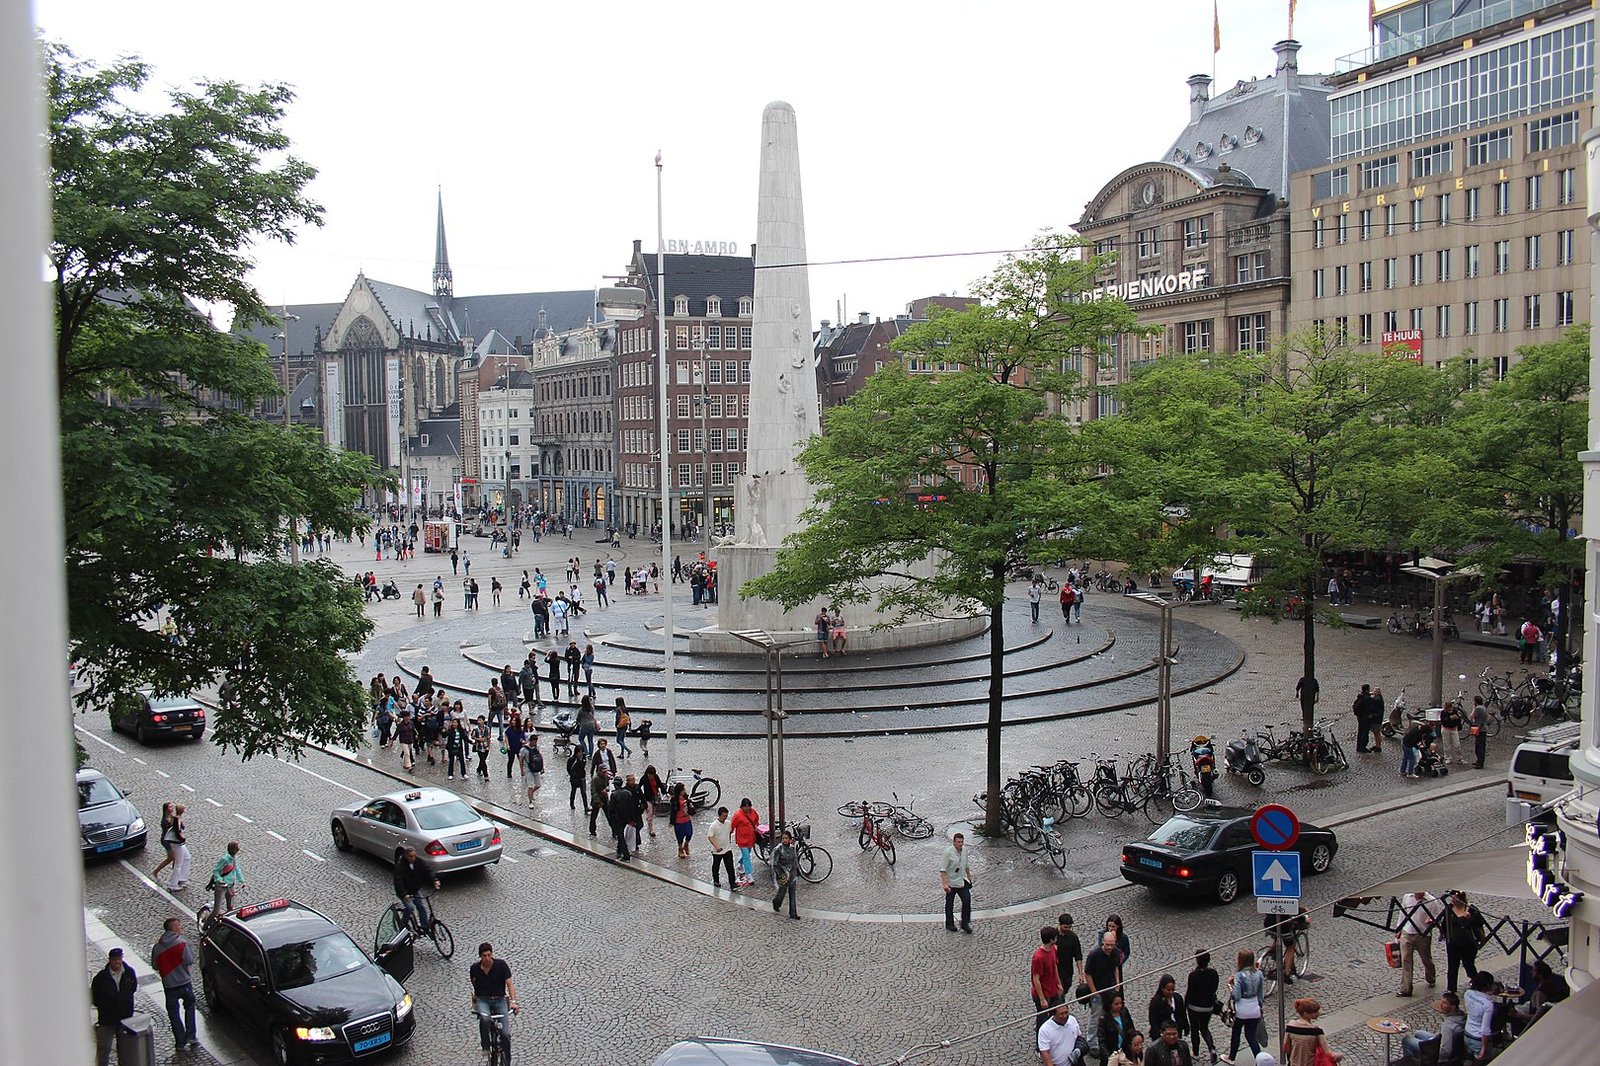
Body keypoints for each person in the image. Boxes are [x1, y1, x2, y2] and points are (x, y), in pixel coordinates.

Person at [153, 917, 198, 1050]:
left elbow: (155, 965)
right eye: (179, 926)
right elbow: (189, 960)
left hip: (169, 985)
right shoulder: (181, 943)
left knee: (174, 1014)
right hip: (185, 982)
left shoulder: (157, 947)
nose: (181, 928)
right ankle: (191, 1036)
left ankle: (180, 1042)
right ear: (173, 928)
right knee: (189, 1008)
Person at [469, 943, 518, 1064]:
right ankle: (486, 1046)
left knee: (505, 1034)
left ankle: (507, 1061)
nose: (487, 958)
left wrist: (513, 1002)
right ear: (480, 956)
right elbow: (474, 982)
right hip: (483, 1000)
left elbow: (509, 984)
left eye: (489, 955)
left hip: (499, 999)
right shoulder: (475, 969)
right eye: (484, 956)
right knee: (485, 1019)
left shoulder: (501, 965)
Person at [91, 947, 138, 1066]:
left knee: (124, 1049)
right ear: (110, 960)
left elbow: (132, 988)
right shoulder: (101, 977)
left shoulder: (129, 973)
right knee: (104, 1048)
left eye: (119, 959)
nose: (117, 962)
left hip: (124, 1017)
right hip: (107, 1019)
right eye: (115, 960)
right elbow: (94, 996)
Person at [1084, 931, 1125, 1051]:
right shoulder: (1094, 954)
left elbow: (1116, 967)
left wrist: (1117, 983)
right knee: (1096, 1016)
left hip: (1111, 989)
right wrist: (1094, 992)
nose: (1109, 947)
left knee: (1111, 1014)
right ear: (1103, 942)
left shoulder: (1116, 952)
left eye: (1112, 945)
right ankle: (1092, 1042)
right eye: (1107, 945)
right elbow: (1088, 974)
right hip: (1098, 990)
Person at [1396, 890, 1442, 997]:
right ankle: (1406, 988)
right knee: (1406, 960)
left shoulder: (1431, 901)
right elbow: (1402, 913)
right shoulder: (1407, 897)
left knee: (1426, 958)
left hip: (1423, 934)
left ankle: (1431, 978)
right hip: (1407, 932)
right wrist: (1399, 928)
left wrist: (1432, 921)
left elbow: (1438, 918)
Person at [1441, 891, 1487, 994]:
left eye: (1455, 898)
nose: (1452, 900)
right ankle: (1451, 989)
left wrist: (1470, 918)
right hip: (1453, 944)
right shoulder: (1449, 909)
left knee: (1469, 965)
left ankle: (1477, 985)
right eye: (1452, 898)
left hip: (1468, 944)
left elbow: (1480, 923)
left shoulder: (1471, 909)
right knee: (1452, 966)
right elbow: (1444, 924)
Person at [1403, 992, 1465, 1062]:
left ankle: (1410, 1062)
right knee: (1418, 1033)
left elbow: (1445, 1050)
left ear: (1453, 1007)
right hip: (1441, 1040)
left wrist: (1429, 1047)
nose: (1441, 1005)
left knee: (1406, 1040)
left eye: (1445, 1003)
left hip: (1439, 1054)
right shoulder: (1460, 1016)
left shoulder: (1448, 1026)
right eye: (1441, 1001)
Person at [1227, 949, 1265, 1061]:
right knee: (1251, 1037)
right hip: (1254, 1009)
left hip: (1242, 1010)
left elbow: (1236, 996)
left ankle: (1231, 1057)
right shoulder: (1258, 973)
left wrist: (1230, 985)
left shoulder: (1239, 975)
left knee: (1236, 1034)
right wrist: (1260, 1007)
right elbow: (1260, 994)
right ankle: (1260, 1060)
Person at [393, 846, 439, 933]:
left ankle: (424, 927)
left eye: (414, 856)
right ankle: (404, 923)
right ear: (406, 856)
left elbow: (428, 870)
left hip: (414, 889)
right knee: (410, 907)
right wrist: (404, 894)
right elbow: (398, 881)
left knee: (422, 907)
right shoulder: (400, 865)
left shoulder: (419, 861)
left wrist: (435, 880)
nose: (413, 858)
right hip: (405, 891)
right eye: (411, 856)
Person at [1282, 997, 1340, 1066]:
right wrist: (1338, 1056)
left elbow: (1286, 1047)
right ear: (1306, 1013)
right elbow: (1327, 1053)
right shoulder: (1316, 1031)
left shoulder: (1290, 1026)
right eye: (1315, 1012)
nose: (1318, 1013)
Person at [1184, 951, 1219, 1061]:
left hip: (1194, 1007)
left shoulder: (1193, 975)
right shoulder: (1213, 973)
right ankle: (1211, 1048)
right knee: (1204, 1027)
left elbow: (1189, 992)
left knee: (1195, 1029)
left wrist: (1185, 1005)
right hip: (1208, 1006)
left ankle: (1195, 1052)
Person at [939, 832, 974, 933]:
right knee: (949, 903)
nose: (960, 844)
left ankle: (965, 923)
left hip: (962, 880)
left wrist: (969, 877)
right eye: (958, 842)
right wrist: (945, 884)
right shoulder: (948, 852)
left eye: (962, 842)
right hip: (951, 882)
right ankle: (949, 923)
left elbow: (966, 865)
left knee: (967, 901)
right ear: (954, 842)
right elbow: (943, 870)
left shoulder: (964, 851)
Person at [1032, 926, 1065, 1030]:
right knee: (1042, 1022)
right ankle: (1040, 1044)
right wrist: (1042, 999)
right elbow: (1036, 978)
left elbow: (1054, 967)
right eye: (1055, 937)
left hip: (1053, 991)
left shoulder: (1052, 950)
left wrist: (1058, 983)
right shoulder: (1038, 957)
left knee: (1054, 1018)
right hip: (1044, 994)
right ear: (1051, 939)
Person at [1038, 1000, 1083, 1066]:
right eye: (1061, 1014)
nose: (1065, 1016)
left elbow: (1079, 1037)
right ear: (1054, 1014)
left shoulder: (1072, 1020)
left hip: (1076, 1062)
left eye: (1066, 1012)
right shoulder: (1045, 1030)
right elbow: (1045, 1053)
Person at [606, 774, 640, 861]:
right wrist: (632, 819)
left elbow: (611, 808)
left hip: (618, 819)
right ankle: (619, 850)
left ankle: (626, 855)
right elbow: (632, 807)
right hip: (627, 818)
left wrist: (611, 818)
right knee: (621, 835)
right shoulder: (628, 793)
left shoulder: (614, 795)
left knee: (621, 837)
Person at [1463, 971, 1496, 1059]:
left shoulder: (1468, 993)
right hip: (1478, 1039)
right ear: (1488, 985)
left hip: (1467, 1033)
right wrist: (1484, 1047)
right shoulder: (1488, 1005)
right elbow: (1485, 1029)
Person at [1098, 993, 1138, 1063]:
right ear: (1110, 1004)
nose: (1119, 1006)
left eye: (1121, 1003)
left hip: (1126, 1051)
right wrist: (1110, 1058)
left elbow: (1131, 1029)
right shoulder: (1103, 1019)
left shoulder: (1124, 1011)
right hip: (1112, 1052)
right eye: (1116, 1004)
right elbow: (1102, 1042)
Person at [1147, 974, 1187, 1042]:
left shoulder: (1177, 998)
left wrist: (1185, 1026)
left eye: (1173, 990)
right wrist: (1158, 1035)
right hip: (1162, 1034)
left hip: (1176, 1031)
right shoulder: (1156, 1001)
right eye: (1168, 990)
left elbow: (1183, 1013)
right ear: (1162, 988)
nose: (1171, 992)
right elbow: (1153, 1020)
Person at [209, 841, 244, 916]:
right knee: (216, 911)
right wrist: (220, 880)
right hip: (221, 887)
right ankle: (206, 926)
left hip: (231, 886)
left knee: (230, 908)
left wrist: (242, 881)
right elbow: (216, 871)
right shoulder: (225, 859)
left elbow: (237, 870)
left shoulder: (234, 859)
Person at [771, 830, 800, 918]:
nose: (785, 840)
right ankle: (776, 902)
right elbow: (775, 863)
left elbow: (795, 860)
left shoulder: (792, 848)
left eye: (786, 838)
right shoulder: (778, 849)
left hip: (791, 873)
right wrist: (781, 874)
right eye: (783, 838)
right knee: (782, 893)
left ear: (790, 839)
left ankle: (793, 913)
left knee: (792, 894)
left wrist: (796, 871)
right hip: (783, 874)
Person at [731, 797, 760, 886]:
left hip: (751, 839)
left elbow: (756, 821)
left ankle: (740, 865)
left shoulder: (753, 812)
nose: (747, 808)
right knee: (747, 856)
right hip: (742, 840)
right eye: (745, 806)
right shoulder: (738, 815)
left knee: (745, 855)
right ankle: (749, 875)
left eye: (748, 806)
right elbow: (732, 826)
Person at [1056, 914, 1085, 996]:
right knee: (1059, 993)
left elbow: (1078, 955)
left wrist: (1080, 974)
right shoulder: (1054, 936)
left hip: (1067, 970)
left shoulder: (1073, 937)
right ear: (1060, 924)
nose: (1068, 929)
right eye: (1065, 927)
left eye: (1070, 927)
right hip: (1056, 970)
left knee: (1065, 988)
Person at [708, 806, 736, 887]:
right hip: (718, 851)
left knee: (730, 867)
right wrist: (716, 847)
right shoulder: (713, 826)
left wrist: (729, 841)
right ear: (719, 815)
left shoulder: (728, 823)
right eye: (724, 816)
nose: (725, 818)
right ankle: (716, 880)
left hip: (727, 849)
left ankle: (732, 883)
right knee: (716, 866)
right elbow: (710, 837)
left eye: (726, 816)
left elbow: (730, 832)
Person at [152, 801, 178, 885]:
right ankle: (173, 875)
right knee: (173, 858)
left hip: (171, 840)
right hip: (166, 841)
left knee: (172, 858)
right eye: (170, 807)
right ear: (166, 809)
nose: (172, 808)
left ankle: (158, 871)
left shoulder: (171, 817)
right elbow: (168, 832)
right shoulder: (164, 821)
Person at [1353, 684, 1383, 753]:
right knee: (1365, 733)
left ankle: (1359, 747)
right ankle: (1363, 748)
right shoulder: (1368, 699)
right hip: (1365, 718)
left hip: (1359, 717)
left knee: (1360, 732)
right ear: (1367, 689)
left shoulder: (1361, 696)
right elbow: (1374, 705)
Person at [670, 781, 694, 858]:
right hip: (678, 821)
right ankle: (680, 849)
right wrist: (672, 821)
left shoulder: (686, 798)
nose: (684, 791)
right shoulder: (674, 800)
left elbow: (690, 807)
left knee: (689, 833)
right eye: (683, 790)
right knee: (680, 836)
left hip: (686, 819)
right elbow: (672, 811)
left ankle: (686, 844)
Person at [566, 746, 588, 813]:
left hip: (582, 777)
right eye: (579, 752)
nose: (580, 754)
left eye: (581, 752)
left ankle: (586, 807)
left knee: (584, 793)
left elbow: (582, 766)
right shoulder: (572, 759)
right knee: (573, 791)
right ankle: (572, 803)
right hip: (575, 778)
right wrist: (573, 775)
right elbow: (568, 768)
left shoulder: (583, 759)